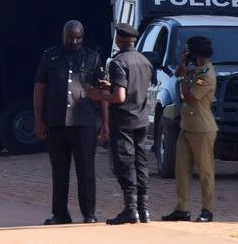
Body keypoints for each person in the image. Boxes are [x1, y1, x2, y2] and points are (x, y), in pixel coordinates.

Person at [34, 20, 107, 225]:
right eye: (70, 37)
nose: (74, 41)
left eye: (78, 37)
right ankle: (60, 214)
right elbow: (39, 90)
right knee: (59, 171)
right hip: (56, 123)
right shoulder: (49, 57)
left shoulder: (92, 58)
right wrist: (39, 120)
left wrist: (105, 122)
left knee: (86, 171)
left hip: (84, 123)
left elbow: (101, 92)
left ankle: (89, 213)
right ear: (63, 35)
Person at [87, 23, 153, 224]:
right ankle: (144, 210)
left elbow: (120, 96)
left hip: (124, 120)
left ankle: (130, 210)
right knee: (141, 163)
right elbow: (137, 87)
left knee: (124, 163)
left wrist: (99, 94)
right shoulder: (144, 61)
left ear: (120, 39)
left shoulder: (117, 62)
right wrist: (113, 86)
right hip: (142, 119)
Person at [162, 36, 217, 223]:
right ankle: (182, 208)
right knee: (182, 170)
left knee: (205, 171)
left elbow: (190, 97)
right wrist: (183, 64)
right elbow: (178, 74)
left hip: (202, 128)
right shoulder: (194, 69)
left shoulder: (206, 74)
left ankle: (207, 209)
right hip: (187, 126)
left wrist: (185, 77)